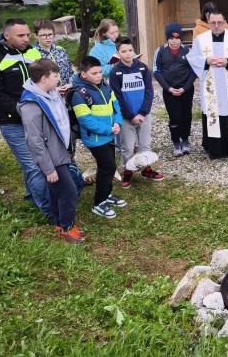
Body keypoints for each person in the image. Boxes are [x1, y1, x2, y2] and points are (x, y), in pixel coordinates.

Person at [0, 18, 51, 219]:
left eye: (28, 35)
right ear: (7, 36)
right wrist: (23, 110)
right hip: (12, 122)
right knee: (33, 165)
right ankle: (47, 209)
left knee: (38, 161)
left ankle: (32, 196)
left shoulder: (33, 53)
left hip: (38, 119)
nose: (26, 39)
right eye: (20, 35)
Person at [18, 60, 83, 244]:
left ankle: (57, 222)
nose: (58, 79)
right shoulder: (31, 104)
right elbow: (35, 141)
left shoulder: (51, 93)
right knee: (69, 191)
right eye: (55, 76)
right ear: (44, 78)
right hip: (52, 157)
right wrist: (48, 169)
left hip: (60, 151)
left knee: (56, 191)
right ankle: (67, 228)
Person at [187, 7, 228, 159]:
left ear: (224, 22)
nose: (216, 26)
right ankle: (215, 149)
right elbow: (192, 57)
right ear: (208, 23)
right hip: (212, 88)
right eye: (213, 23)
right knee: (213, 113)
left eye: (219, 22)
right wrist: (206, 61)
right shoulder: (200, 40)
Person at [71, 56, 125, 218]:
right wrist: (109, 130)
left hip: (109, 135)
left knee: (109, 167)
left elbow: (116, 106)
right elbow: (85, 120)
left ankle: (106, 195)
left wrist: (118, 123)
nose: (99, 76)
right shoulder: (78, 94)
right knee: (107, 167)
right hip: (95, 139)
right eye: (94, 73)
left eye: (100, 72)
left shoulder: (105, 86)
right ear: (83, 74)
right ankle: (98, 203)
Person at [110, 36, 163, 187]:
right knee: (127, 146)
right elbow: (117, 98)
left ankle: (146, 169)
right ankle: (128, 171)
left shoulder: (143, 68)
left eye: (130, 50)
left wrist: (143, 112)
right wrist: (131, 115)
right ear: (118, 53)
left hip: (144, 115)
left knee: (145, 144)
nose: (128, 54)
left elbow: (149, 92)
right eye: (124, 51)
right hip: (126, 117)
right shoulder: (115, 72)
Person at [153, 22, 195, 157]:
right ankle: (176, 142)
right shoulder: (160, 51)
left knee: (186, 115)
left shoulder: (188, 51)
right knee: (175, 117)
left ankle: (185, 140)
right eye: (171, 38)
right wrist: (168, 88)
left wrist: (185, 87)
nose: (175, 41)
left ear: (181, 38)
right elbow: (157, 71)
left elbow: (194, 71)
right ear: (167, 38)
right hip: (169, 91)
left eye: (177, 38)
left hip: (186, 90)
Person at [32, 19, 73, 90]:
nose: (48, 38)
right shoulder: (32, 54)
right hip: (47, 94)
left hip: (67, 91)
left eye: (50, 34)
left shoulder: (61, 50)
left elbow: (70, 71)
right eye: (43, 35)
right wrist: (54, 90)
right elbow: (33, 81)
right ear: (36, 36)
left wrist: (70, 84)